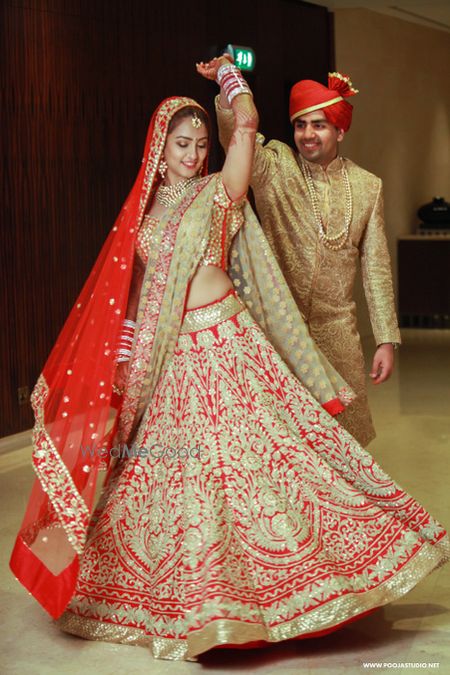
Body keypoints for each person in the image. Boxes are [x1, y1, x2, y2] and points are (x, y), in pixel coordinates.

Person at [10, 58, 448, 663]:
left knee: (268, 467)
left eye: (198, 144)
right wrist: (126, 352)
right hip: (171, 357)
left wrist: (231, 84)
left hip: (229, 347)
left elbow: (245, 129)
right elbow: (135, 294)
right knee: (175, 484)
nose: (193, 154)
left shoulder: (220, 192)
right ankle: (199, 606)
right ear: (159, 151)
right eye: (181, 145)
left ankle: (309, 589)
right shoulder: (145, 216)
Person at [216, 71, 401, 447]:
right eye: (300, 125)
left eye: (319, 124)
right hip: (280, 329)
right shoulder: (276, 167)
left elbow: (376, 270)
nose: (308, 134)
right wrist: (226, 92)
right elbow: (236, 141)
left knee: (347, 440)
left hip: (339, 331)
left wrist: (385, 339)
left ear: (340, 131)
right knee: (286, 441)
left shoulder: (368, 186)